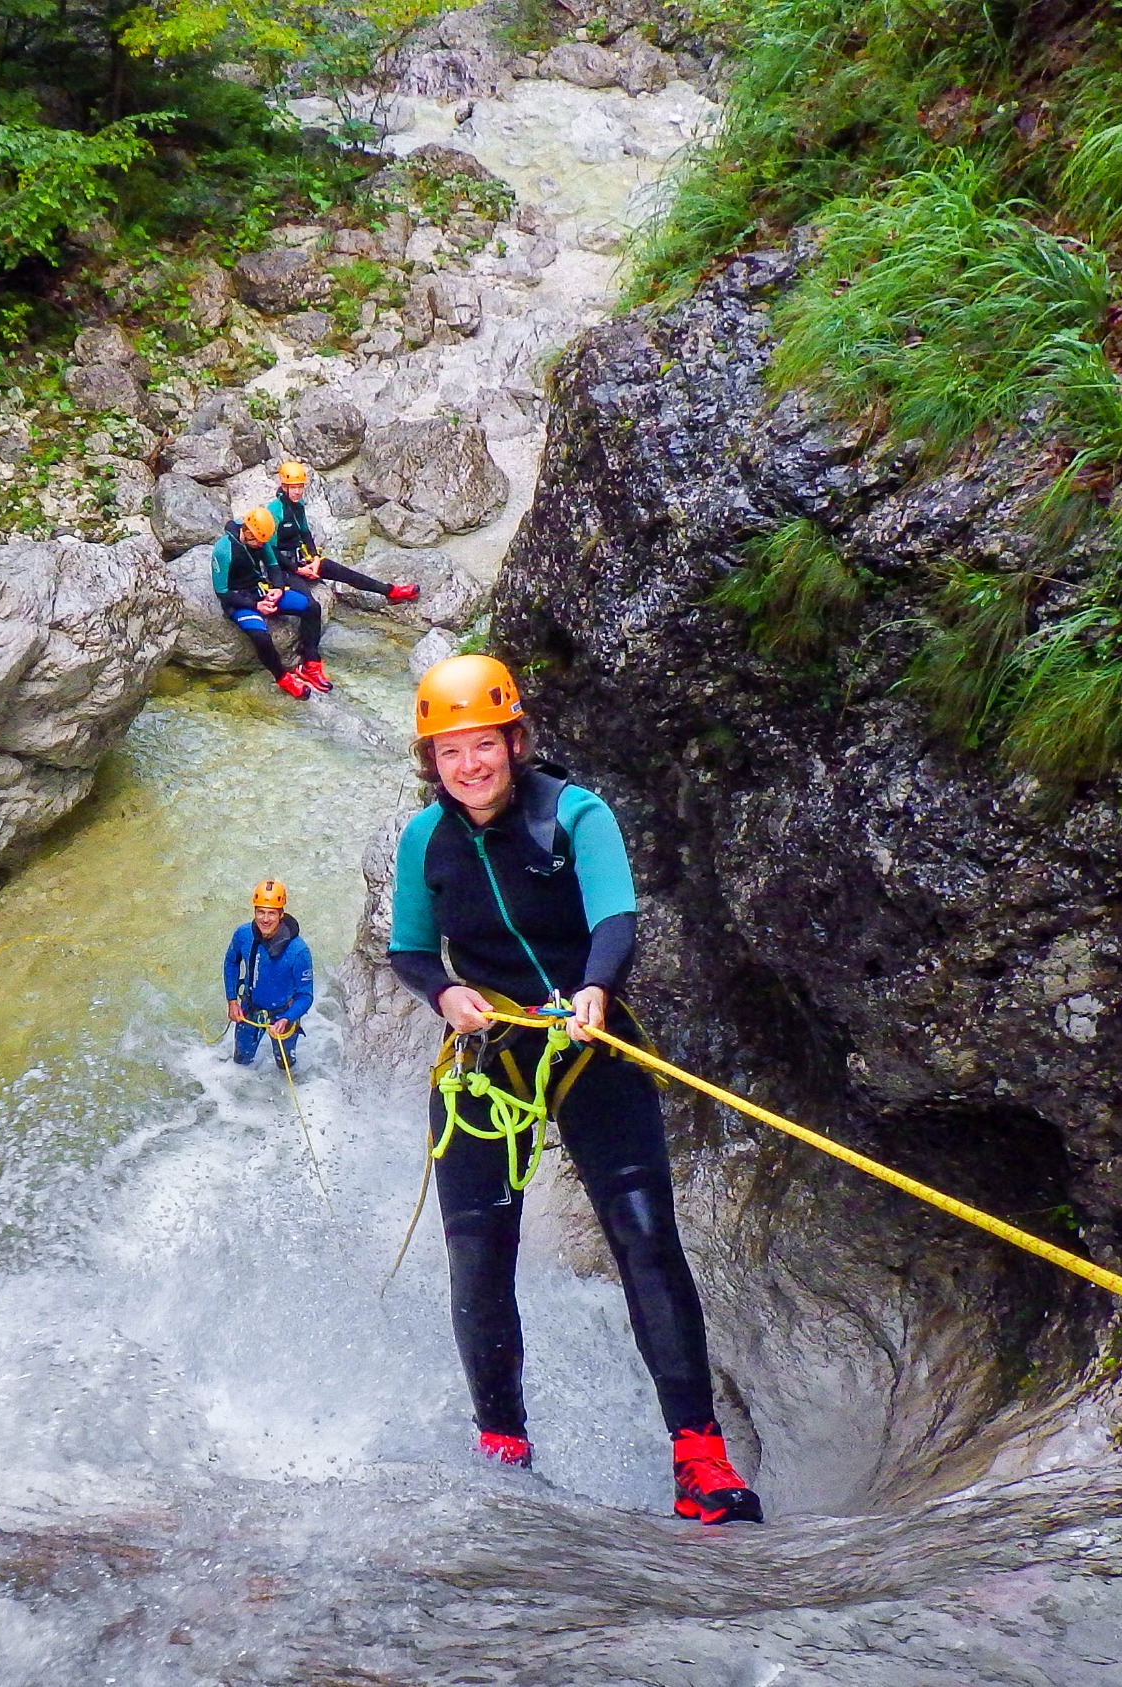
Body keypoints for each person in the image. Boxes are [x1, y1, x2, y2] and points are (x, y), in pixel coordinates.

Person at [386, 653, 762, 1524]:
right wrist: (444, 993)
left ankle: (699, 1458)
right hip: (490, 1060)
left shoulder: (574, 814)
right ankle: (502, 1447)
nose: (469, 765)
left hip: (589, 1040)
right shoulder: (424, 840)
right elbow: (409, 948)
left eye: (483, 744)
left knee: (643, 1237)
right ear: (431, 762)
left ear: (515, 741)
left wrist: (596, 986)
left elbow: (615, 914)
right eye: (449, 752)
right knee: (480, 1250)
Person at [265, 459, 421, 698]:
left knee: (343, 572)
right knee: (310, 606)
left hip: (302, 560)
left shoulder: (299, 506)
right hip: (284, 567)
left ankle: (389, 591)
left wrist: (315, 559)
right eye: (292, 487)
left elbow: (305, 533)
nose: (297, 491)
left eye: (300, 486)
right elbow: (271, 550)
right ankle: (310, 663)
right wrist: (298, 570)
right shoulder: (274, 511)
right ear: (283, 486)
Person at [210, 504, 326, 699]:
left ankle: (311, 663)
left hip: (261, 590)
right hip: (239, 599)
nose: (261, 546)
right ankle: (282, 677)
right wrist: (256, 606)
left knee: (312, 607)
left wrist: (278, 589)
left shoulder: (261, 540)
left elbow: (273, 566)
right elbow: (222, 591)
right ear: (247, 533)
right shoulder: (224, 550)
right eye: (258, 542)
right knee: (261, 636)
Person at [223, 879, 314, 1069]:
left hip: (283, 1013)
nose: (265, 919)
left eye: (271, 913)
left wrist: (287, 1018)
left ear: (281, 914)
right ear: (254, 912)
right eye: (260, 912)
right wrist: (232, 1000)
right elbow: (231, 961)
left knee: (285, 1065)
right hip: (249, 1009)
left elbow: (305, 995)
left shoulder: (298, 951)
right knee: (240, 1062)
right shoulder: (243, 935)